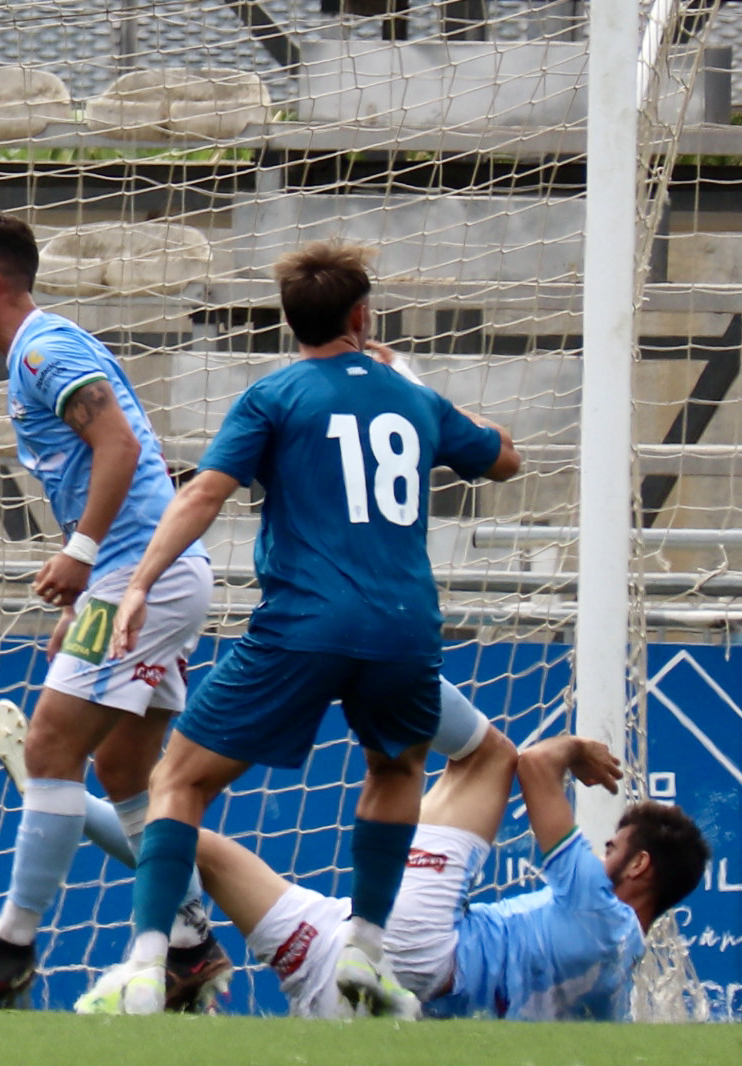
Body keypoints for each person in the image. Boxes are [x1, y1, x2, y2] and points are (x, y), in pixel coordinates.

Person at [99, 241, 517, 1015]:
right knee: (395, 771)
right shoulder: (412, 399)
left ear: (289, 321)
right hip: (405, 629)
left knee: (179, 781)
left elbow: (202, 496)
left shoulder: (275, 396)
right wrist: (413, 380)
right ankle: (364, 949)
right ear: (363, 316)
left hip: (305, 624)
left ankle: (149, 965)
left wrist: (140, 583)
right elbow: (506, 459)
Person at [0, 209, 225, 1010]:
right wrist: (95, 584)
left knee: (50, 743)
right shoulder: (39, 352)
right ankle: (188, 945)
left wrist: (85, 559)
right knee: (124, 769)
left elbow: (117, 445)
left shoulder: (45, 349)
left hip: (141, 576)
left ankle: (10, 952)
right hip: (147, 578)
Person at [170, 718, 702, 1025]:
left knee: (489, 756)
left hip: (419, 951)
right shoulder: (612, 1000)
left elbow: (535, 763)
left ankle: (378, 656)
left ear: (639, 864)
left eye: (612, 847)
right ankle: (191, 961)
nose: (600, 852)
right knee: (195, 846)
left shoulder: (600, 910)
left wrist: (576, 748)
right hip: (354, 985)